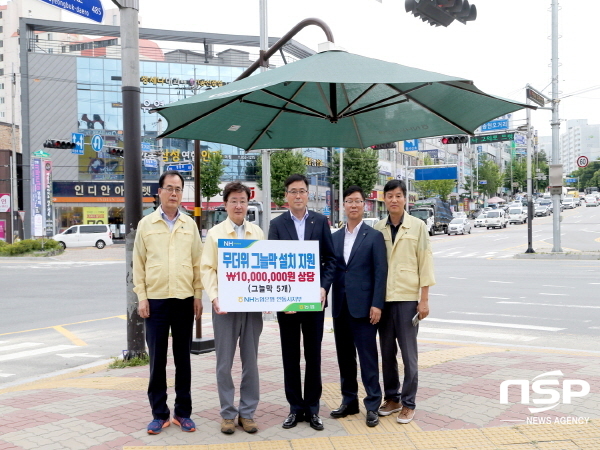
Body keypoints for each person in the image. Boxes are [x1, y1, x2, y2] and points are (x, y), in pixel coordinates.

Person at [133, 170, 203, 435]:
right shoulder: (146, 225)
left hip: (184, 300)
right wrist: (142, 296)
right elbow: (138, 264)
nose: (174, 193)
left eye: (178, 189)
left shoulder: (190, 225)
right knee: (157, 360)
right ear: (159, 191)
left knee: (183, 359)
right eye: (169, 188)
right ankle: (159, 414)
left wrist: (198, 295)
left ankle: (183, 413)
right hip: (156, 302)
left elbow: (198, 263)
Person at [268, 174, 336, 431]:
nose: (298, 195)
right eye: (293, 191)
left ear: (308, 194)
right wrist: (277, 296)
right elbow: (272, 264)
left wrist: (323, 287)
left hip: (313, 302)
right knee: (290, 356)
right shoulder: (277, 224)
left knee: (313, 356)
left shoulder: (320, 222)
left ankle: (313, 409)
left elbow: (330, 260)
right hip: (287, 304)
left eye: (302, 191)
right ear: (286, 196)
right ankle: (295, 408)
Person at [200, 181, 265, 435]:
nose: (239, 205)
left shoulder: (257, 233)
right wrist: (215, 297)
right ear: (225, 204)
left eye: (243, 201)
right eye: (234, 201)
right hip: (224, 308)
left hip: (251, 308)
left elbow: (264, 271)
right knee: (224, 362)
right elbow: (207, 269)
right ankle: (228, 414)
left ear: (248, 204)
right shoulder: (215, 234)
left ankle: (247, 414)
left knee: (251, 361)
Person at [374, 179, 435, 425]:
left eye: (398, 195)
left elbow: (425, 263)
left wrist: (424, 300)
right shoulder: (378, 228)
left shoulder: (418, 226)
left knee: (409, 356)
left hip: (408, 300)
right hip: (384, 300)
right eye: (389, 196)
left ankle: (409, 403)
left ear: (404, 198)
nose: (394, 200)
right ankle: (392, 398)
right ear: (384, 199)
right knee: (387, 353)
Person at [330, 186, 387, 428]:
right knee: (345, 358)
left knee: (367, 358)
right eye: (349, 201)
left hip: (364, 308)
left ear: (365, 205)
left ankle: (373, 404)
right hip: (340, 307)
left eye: (357, 201)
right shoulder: (334, 237)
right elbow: (329, 269)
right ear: (343, 206)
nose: (353, 205)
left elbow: (380, 272)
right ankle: (349, 400)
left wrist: (377, 304)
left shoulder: (373, 236)